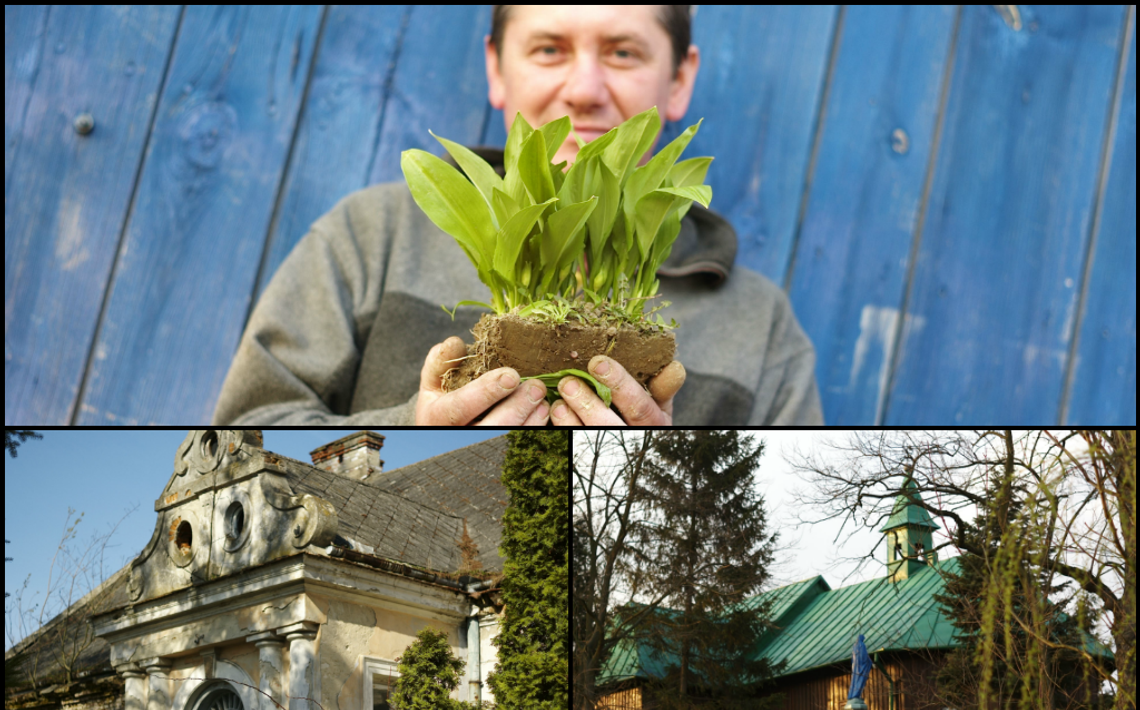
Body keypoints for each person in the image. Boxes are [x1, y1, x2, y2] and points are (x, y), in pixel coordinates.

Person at [211, 5, 825, 426]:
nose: (584, 89)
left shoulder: (763, 328)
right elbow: (248, 427)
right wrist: (415, 425)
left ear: (680, 79)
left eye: (622, 52)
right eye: (550, 48)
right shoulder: (374, 235)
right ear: (495, 68)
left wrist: (644, 468)